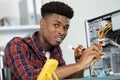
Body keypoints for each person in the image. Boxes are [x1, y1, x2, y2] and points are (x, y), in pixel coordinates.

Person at [4, 1, 101, 80]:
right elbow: (29, 77)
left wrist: (79, 65)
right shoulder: (16, 45)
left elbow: (66, 78)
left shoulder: (56, 50)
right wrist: (79, 65)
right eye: (56, 25)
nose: (62, 32)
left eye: (65, 28)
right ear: (42, 23)